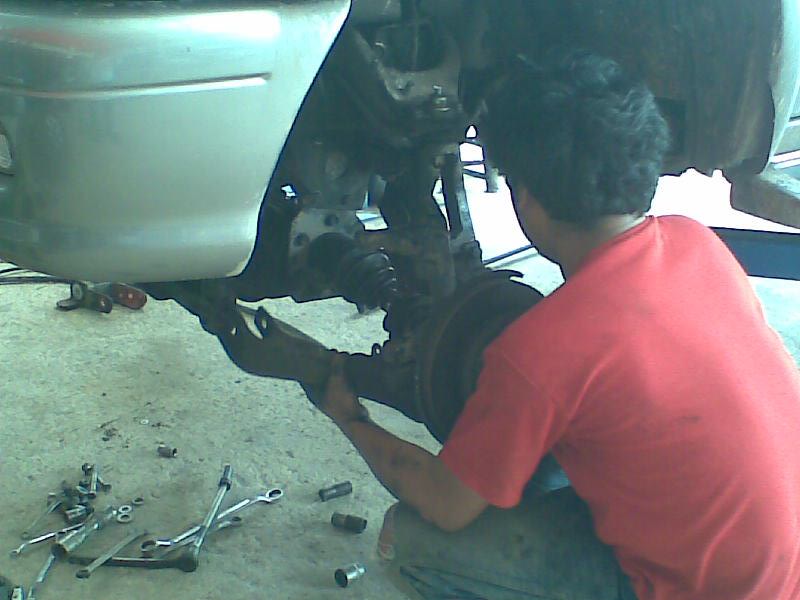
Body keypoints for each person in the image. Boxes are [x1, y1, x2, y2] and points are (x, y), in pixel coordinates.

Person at [309, 49, 800, 600]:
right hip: (780, 570)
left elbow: (447, 505)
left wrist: (349, 416)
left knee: (412, 537)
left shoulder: (544, 348)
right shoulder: (694, 241)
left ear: (527, 199)